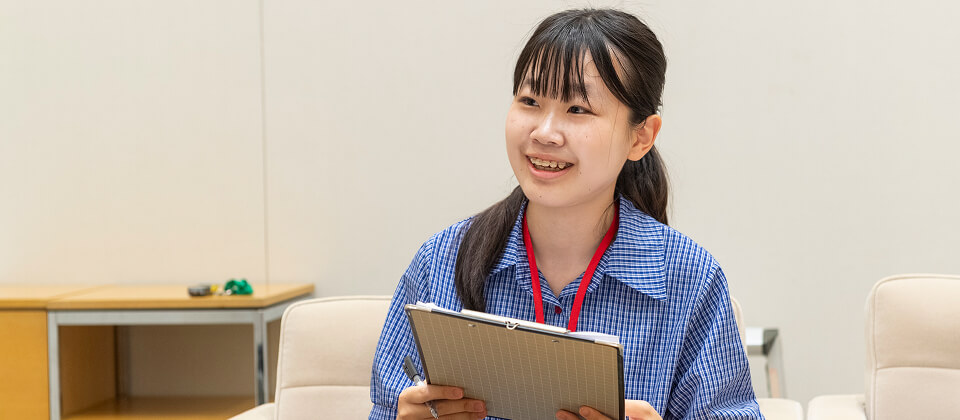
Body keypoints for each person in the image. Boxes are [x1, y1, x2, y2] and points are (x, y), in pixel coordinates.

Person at [370, 8, 763, 420]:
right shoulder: (440, 262)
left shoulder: (690, 280)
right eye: (529, 101)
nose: (544, 133)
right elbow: (386, 408)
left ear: (641, 137)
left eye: (578, 109)